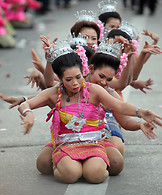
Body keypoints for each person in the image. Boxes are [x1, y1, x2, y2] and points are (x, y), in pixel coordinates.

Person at [16, 40, 162, 184]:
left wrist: (140, 112)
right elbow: (25, 104)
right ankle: (61, 162)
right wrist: (28, 113)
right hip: (67, 143)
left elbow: (120, 106)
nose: (75, 83)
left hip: (93, 142)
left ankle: (88, 164)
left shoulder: (94, 90)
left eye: (78, 77)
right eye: (69, 79)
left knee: (96, 175)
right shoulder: (53, 93)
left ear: (83, 72)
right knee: (70, 175)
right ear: (59, 78)